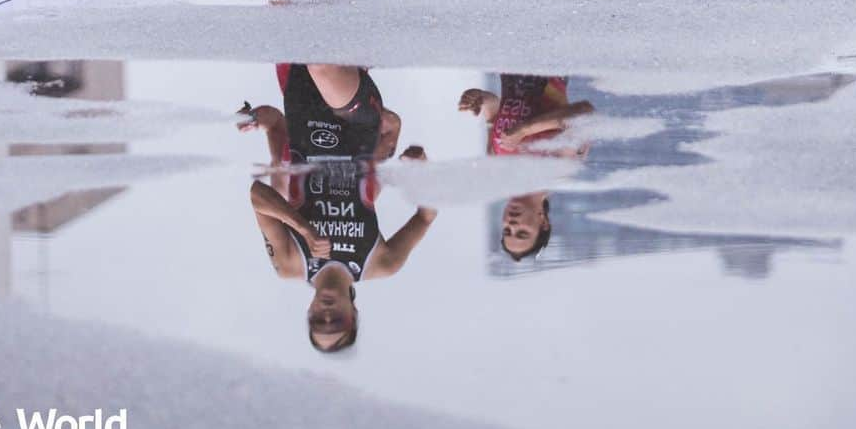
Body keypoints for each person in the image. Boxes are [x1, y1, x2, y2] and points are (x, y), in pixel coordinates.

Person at [238, 64, 436, 352]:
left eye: (318, 321)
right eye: (336, 321)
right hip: (359, 128)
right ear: (353, 316)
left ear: (309, 313)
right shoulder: (381, 263)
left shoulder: (290, 264)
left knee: (300, 46)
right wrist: (423, 170)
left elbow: (258, 194)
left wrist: (303, 228)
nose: (327, 314)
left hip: (305, 119)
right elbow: (427, 215)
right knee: (319, 64)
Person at [459, 74, 593, 262]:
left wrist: (480, 99)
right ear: (543, 222)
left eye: (507, 230)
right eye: (522, 232)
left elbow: (495, 108)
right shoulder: (559, 170)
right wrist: (526, 129)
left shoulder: (496, 167)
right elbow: (584, 113)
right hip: (547, 65)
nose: (512, 224)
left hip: (508, 64)